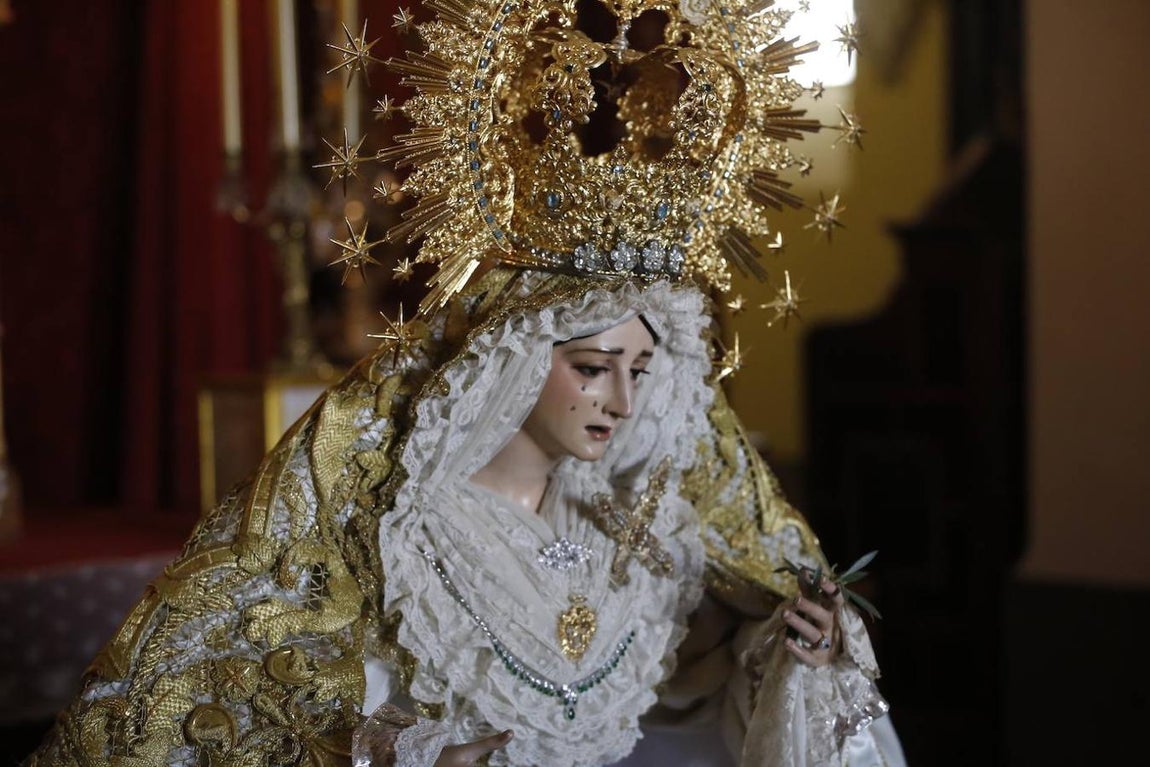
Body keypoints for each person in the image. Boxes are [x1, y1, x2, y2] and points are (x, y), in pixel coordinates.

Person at [28, 1, 907, 764]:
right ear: (519, 358)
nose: (622, 402)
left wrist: (796, 651)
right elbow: (274, 703)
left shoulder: (639, 524)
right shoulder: (401, 528)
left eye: (641, 371)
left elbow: (700, 679)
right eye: (593, 368)